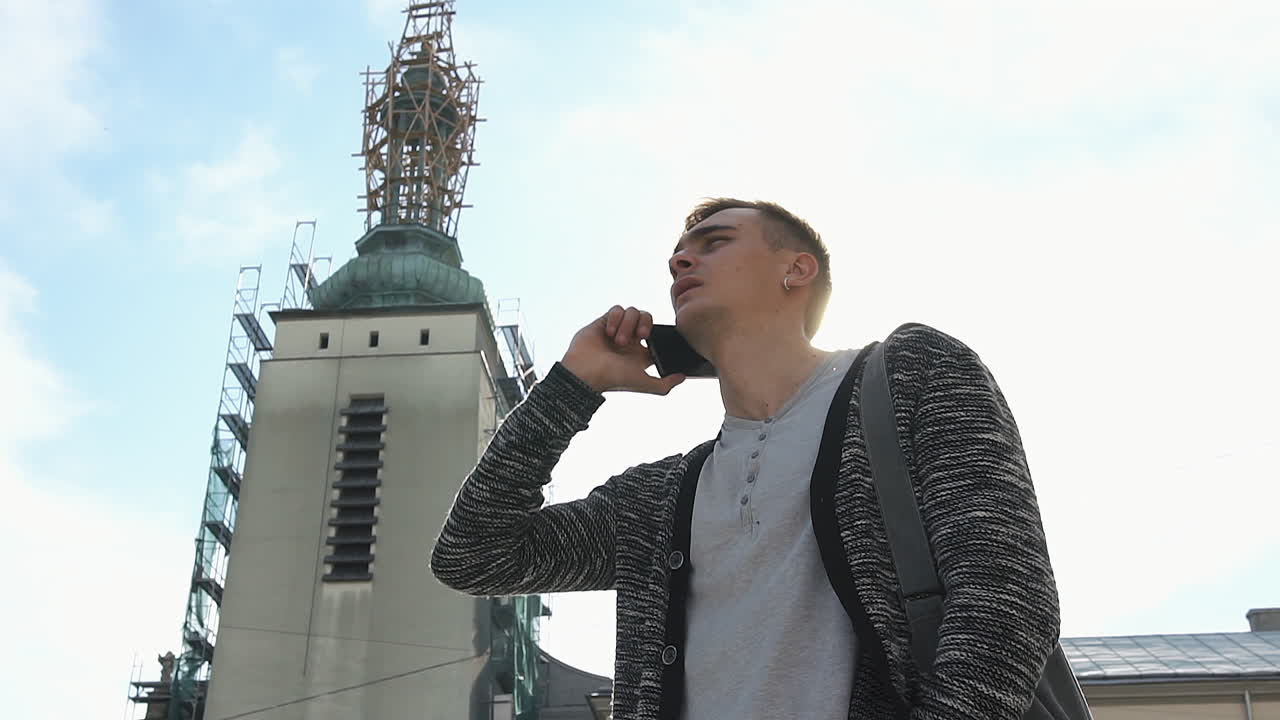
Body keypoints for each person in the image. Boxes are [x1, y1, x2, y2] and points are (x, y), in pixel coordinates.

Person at [431, 198, 1061, 720]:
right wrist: (572, 386)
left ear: (797, 269)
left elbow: (1006, 602)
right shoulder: (658, 500)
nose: (681, 259)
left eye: (716, 242)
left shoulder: (909, 376)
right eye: (679, 252)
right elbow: (474, 554)